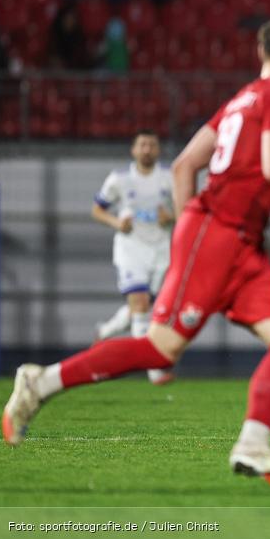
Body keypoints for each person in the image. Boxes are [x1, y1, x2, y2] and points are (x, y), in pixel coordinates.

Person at [3, 11, 270, 489]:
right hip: (220, 234)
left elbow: (183, 166)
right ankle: (41, 382)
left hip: (234, 242)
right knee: (160, 349)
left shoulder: (238, 101)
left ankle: (253, 443)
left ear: (261, 52)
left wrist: (188, 233)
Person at [91, 130, 175, 385]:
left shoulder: (169, 178)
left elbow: (189, 208)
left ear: (158, 150)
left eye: (152, 144)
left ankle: (106, 331)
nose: (147, 149)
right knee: (140, 302)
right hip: (131, 248)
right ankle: (153, 369)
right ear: (134, 150)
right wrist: (117, 223)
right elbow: (97, 209)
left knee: (146, 307)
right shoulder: (119, 179)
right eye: (142, 144)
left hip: (161, 250)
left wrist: (170, 217)